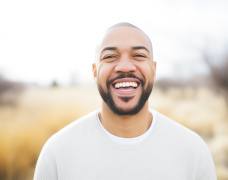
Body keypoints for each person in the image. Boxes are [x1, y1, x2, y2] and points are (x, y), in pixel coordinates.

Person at [34, 23, 217, 180]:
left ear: (153, 69)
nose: (125, 67)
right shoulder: (58, 152)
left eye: (139, 55)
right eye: (110, 57)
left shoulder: (193, 151)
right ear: (95, 71)